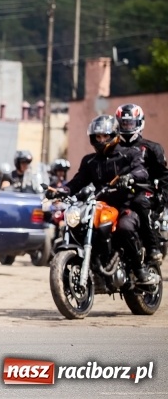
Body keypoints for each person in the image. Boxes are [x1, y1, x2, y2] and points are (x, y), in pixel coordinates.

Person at [55, 114, 154, 283]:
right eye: (98, 136)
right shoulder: (90, 161)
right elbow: (77, 181)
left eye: (105, 136)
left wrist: (129, 177)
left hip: (125, 205)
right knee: (79, 224)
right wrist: (60, 191)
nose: (101, 140)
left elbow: (142, 171)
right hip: (100, 205)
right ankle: (96, 262)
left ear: (114, 135)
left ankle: (139, 270)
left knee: (125, 227)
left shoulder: (129, 154)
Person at [115, 103, 168, 263]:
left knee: (140, 201)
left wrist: (162, 200)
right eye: (124, 123)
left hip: (144, 193)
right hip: (118, 193)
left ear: (139, 123)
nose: (127, 126)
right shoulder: (112, 148)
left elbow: (165, 177)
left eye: (130, 123)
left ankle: (152, 248)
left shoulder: (151, 148)